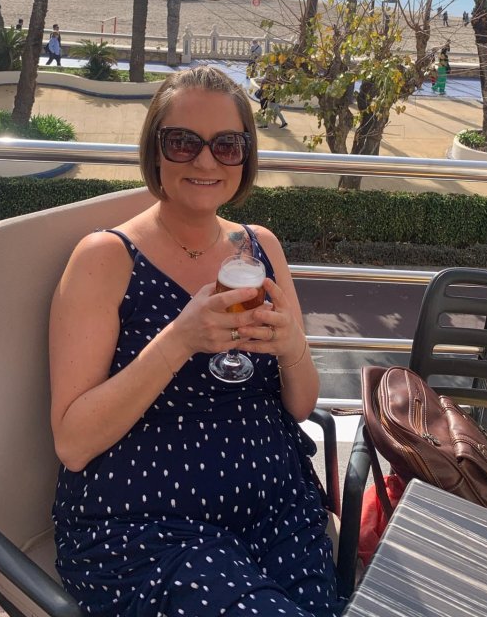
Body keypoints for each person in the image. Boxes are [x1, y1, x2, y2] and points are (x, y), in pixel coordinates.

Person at [50, 67, 340, 616]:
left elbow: (300, 406)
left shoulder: (259, 249)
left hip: (275, 510)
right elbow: (73, 441)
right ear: (155, 150)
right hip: (150, 526)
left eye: (227, 145)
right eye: (183, 142)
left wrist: (291, 347)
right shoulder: (104, 259)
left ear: (245, 156)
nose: (206, 162)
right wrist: (180, 339)